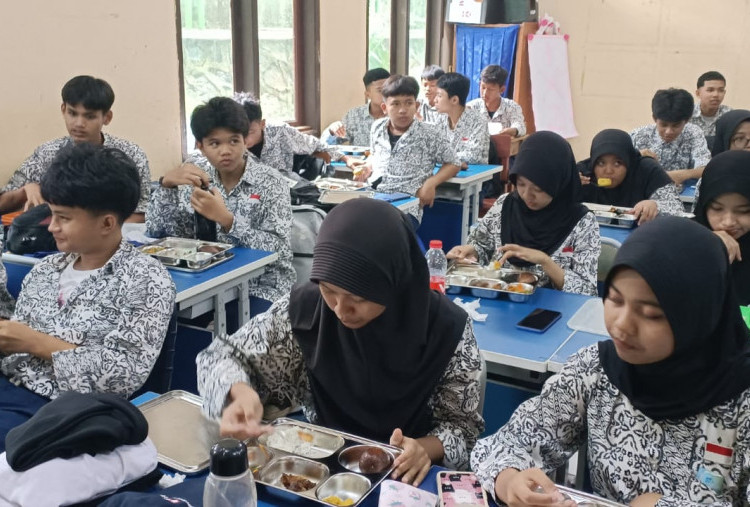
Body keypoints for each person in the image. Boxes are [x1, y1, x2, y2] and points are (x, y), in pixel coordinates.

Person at [196, 198, 484, 486]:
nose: (340, 310)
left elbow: (464, 430)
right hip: (320, 469)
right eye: (329, 289)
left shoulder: (447, 330)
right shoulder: (306, 312)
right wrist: (239, 391)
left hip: (408, 477)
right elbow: (221, 356)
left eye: (358, 299)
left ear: (395, 283)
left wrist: (424, 449)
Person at [471, 216, 750, 506]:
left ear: (699, 316)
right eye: (615, 300)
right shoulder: (597, 370)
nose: (622, 325)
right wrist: (510, 479)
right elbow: (506, 442)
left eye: (651, 313)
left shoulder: (741, 402)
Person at [0, 143, 176, 451]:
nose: (52, 227)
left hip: (66, 413)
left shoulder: (146, 280)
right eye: (52, 215)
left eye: (63, 218)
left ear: (107, 223)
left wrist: (32, 341)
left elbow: (121, 376)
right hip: (10, 389)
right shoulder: (46, 269)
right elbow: (15, 350)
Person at [147, 97, 294, 313]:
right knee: (166, 319)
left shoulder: (271, 182)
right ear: (201, 146)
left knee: (235, 329)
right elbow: (160, 233)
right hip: (204, 283)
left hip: (262, 286)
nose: (225, 151)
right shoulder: (195, 177)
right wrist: (166, 187)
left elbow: (279, 249)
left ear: (246, 141)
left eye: (234, 141)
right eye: (215, 143)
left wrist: (226, 220)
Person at [447, 131, 600, 296]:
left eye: (539, 189)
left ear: (558, 183)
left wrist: (545, 261)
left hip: (554, 311)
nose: (527, 195)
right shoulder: (505, 205)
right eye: (521, 184)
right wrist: (472, 252)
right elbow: (483, 247)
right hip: (500, 304)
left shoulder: (582, 222)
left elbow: (587, 291)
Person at [0, 75, 151, 222]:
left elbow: (142, 214)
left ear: (107, 118)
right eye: (72, 113)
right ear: (63, 110)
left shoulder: (130, 155)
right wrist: (26, 190)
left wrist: (87, 230)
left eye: (89, 116)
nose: (79, 123)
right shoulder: (47, 153)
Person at [351, 75, 461, 226]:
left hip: (406, 205)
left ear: (416, 106)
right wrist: (367, 167)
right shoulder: (377, 127)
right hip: (373, 196)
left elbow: (454, 163)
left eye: (408, 103)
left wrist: (431, 182)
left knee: (375, 231)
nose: (402, 110)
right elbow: (375, 154)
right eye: (395, 104)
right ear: (384, 108)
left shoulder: (429, 133)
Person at [232, 93, 358, 178]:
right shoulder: (226, 144)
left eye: (249, 132)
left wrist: (346, 159)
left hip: (287, 193)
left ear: (262, 124)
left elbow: (316, 145)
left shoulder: (280, 131)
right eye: (238, 133)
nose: (243, 139)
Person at [577, 129, 684, 222]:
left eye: (617, 163)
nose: (608, 171)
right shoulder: (582, 174)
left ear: (628, 161)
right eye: (601, 163)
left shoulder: (646, 169)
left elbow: (677, 208)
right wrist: (570, 189)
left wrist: (655, 205)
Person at [694, 150, 750, 305]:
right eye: (717, 209)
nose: (728, 222)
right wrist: (705, 244)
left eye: (744, 211)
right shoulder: (684, 240)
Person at [630, 88, 711, 188]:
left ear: (687, 120)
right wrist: (635, 158)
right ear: (655, 118)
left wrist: (684, 174)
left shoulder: (694, 133)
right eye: (663, 125)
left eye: (675, 126)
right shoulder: (638, 135)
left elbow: (707, 168)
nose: (669, 131)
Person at [321, 68, 390, 146]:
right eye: (380, 90)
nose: (386, 93)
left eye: (388, 89)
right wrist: (332, 130)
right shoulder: (355, 116)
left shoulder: (397, 115)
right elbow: (325, 144)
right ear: (368, 95)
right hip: (360, 158)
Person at [434, 72, 490, 166]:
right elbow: (433, 148)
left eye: (439, 96)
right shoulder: (440, 118)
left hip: (474, 176)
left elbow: (473, 156)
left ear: (454, 100)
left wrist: (442, 156)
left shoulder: (478, 121)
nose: (435, 100)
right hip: (446, 172)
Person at [466, 64, 526, 137]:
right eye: (483, 87)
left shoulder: (511, 107)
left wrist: (513, 131)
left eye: (491, 89)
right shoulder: (471, 107)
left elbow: (521, 127)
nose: (485, 93)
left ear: (502, 89)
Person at [690, 71, 731, 150]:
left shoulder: (729, 115)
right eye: (710, 90)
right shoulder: (687, 115)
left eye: (721, 90)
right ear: (698, 93)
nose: (716, 95)